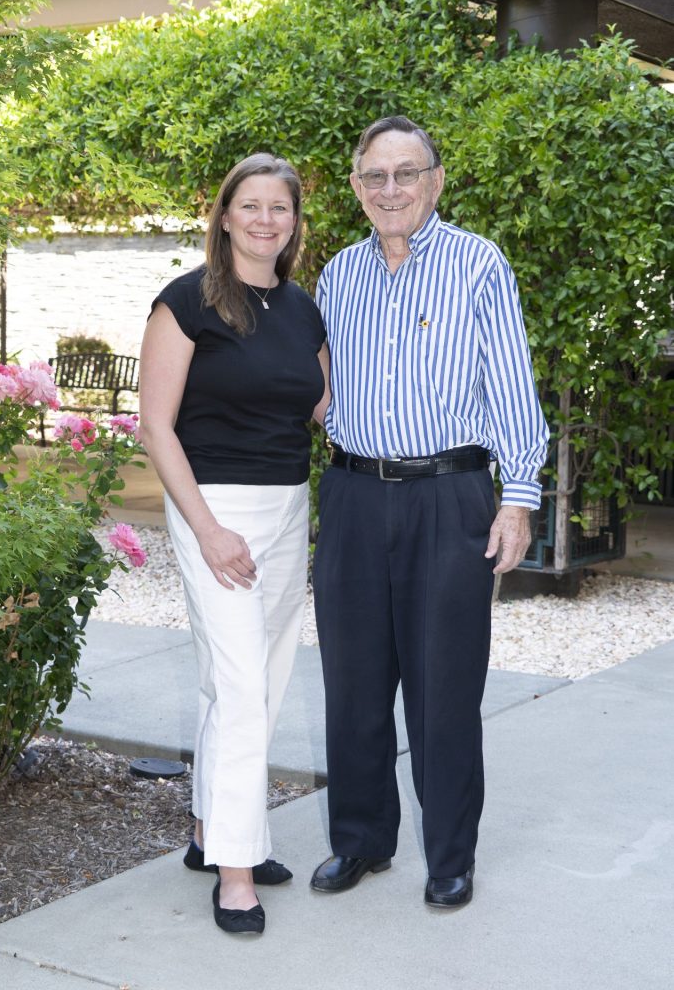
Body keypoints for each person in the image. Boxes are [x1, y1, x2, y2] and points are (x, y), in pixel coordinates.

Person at [310, 116, 549, 908]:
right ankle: (361, 842)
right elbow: (313, 388)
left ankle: (450, 856)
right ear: (354, 188)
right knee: (351, 684)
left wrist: (517, 498)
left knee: (443, 688)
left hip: (448, 498)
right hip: (349, 494)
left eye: (404, 173)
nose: (389, 190)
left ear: (435, 181)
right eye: (373, 177)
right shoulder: (337, 275)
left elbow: (512, 386)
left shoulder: (477, 264)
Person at [139, 153, 329, 935]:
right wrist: (209, 529)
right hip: (212, 506)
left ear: (293, 222)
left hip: (287, 505)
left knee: (252, 682)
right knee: (245, 686)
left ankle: (210, 830)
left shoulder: (300, 308)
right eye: (248, 206)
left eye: (278, 208)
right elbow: (155, 425)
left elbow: (324, 405)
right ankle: (237, 871)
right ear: (223, 216)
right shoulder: (185, 302)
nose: (263, 219)